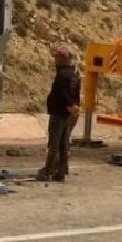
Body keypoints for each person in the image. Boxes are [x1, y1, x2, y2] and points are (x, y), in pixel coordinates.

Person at [37, 46, 81, 183]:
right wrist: (74, 107)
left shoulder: (62, 75)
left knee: (54, 144)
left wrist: (69, 105)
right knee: (63, 144)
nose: (55, 60)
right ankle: (60, 172)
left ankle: (48, 171)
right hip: (68, 114)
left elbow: (62, 93)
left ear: (64, 59)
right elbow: (76, 93)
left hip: (59, 113)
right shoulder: (74, 74)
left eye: (57, 57)